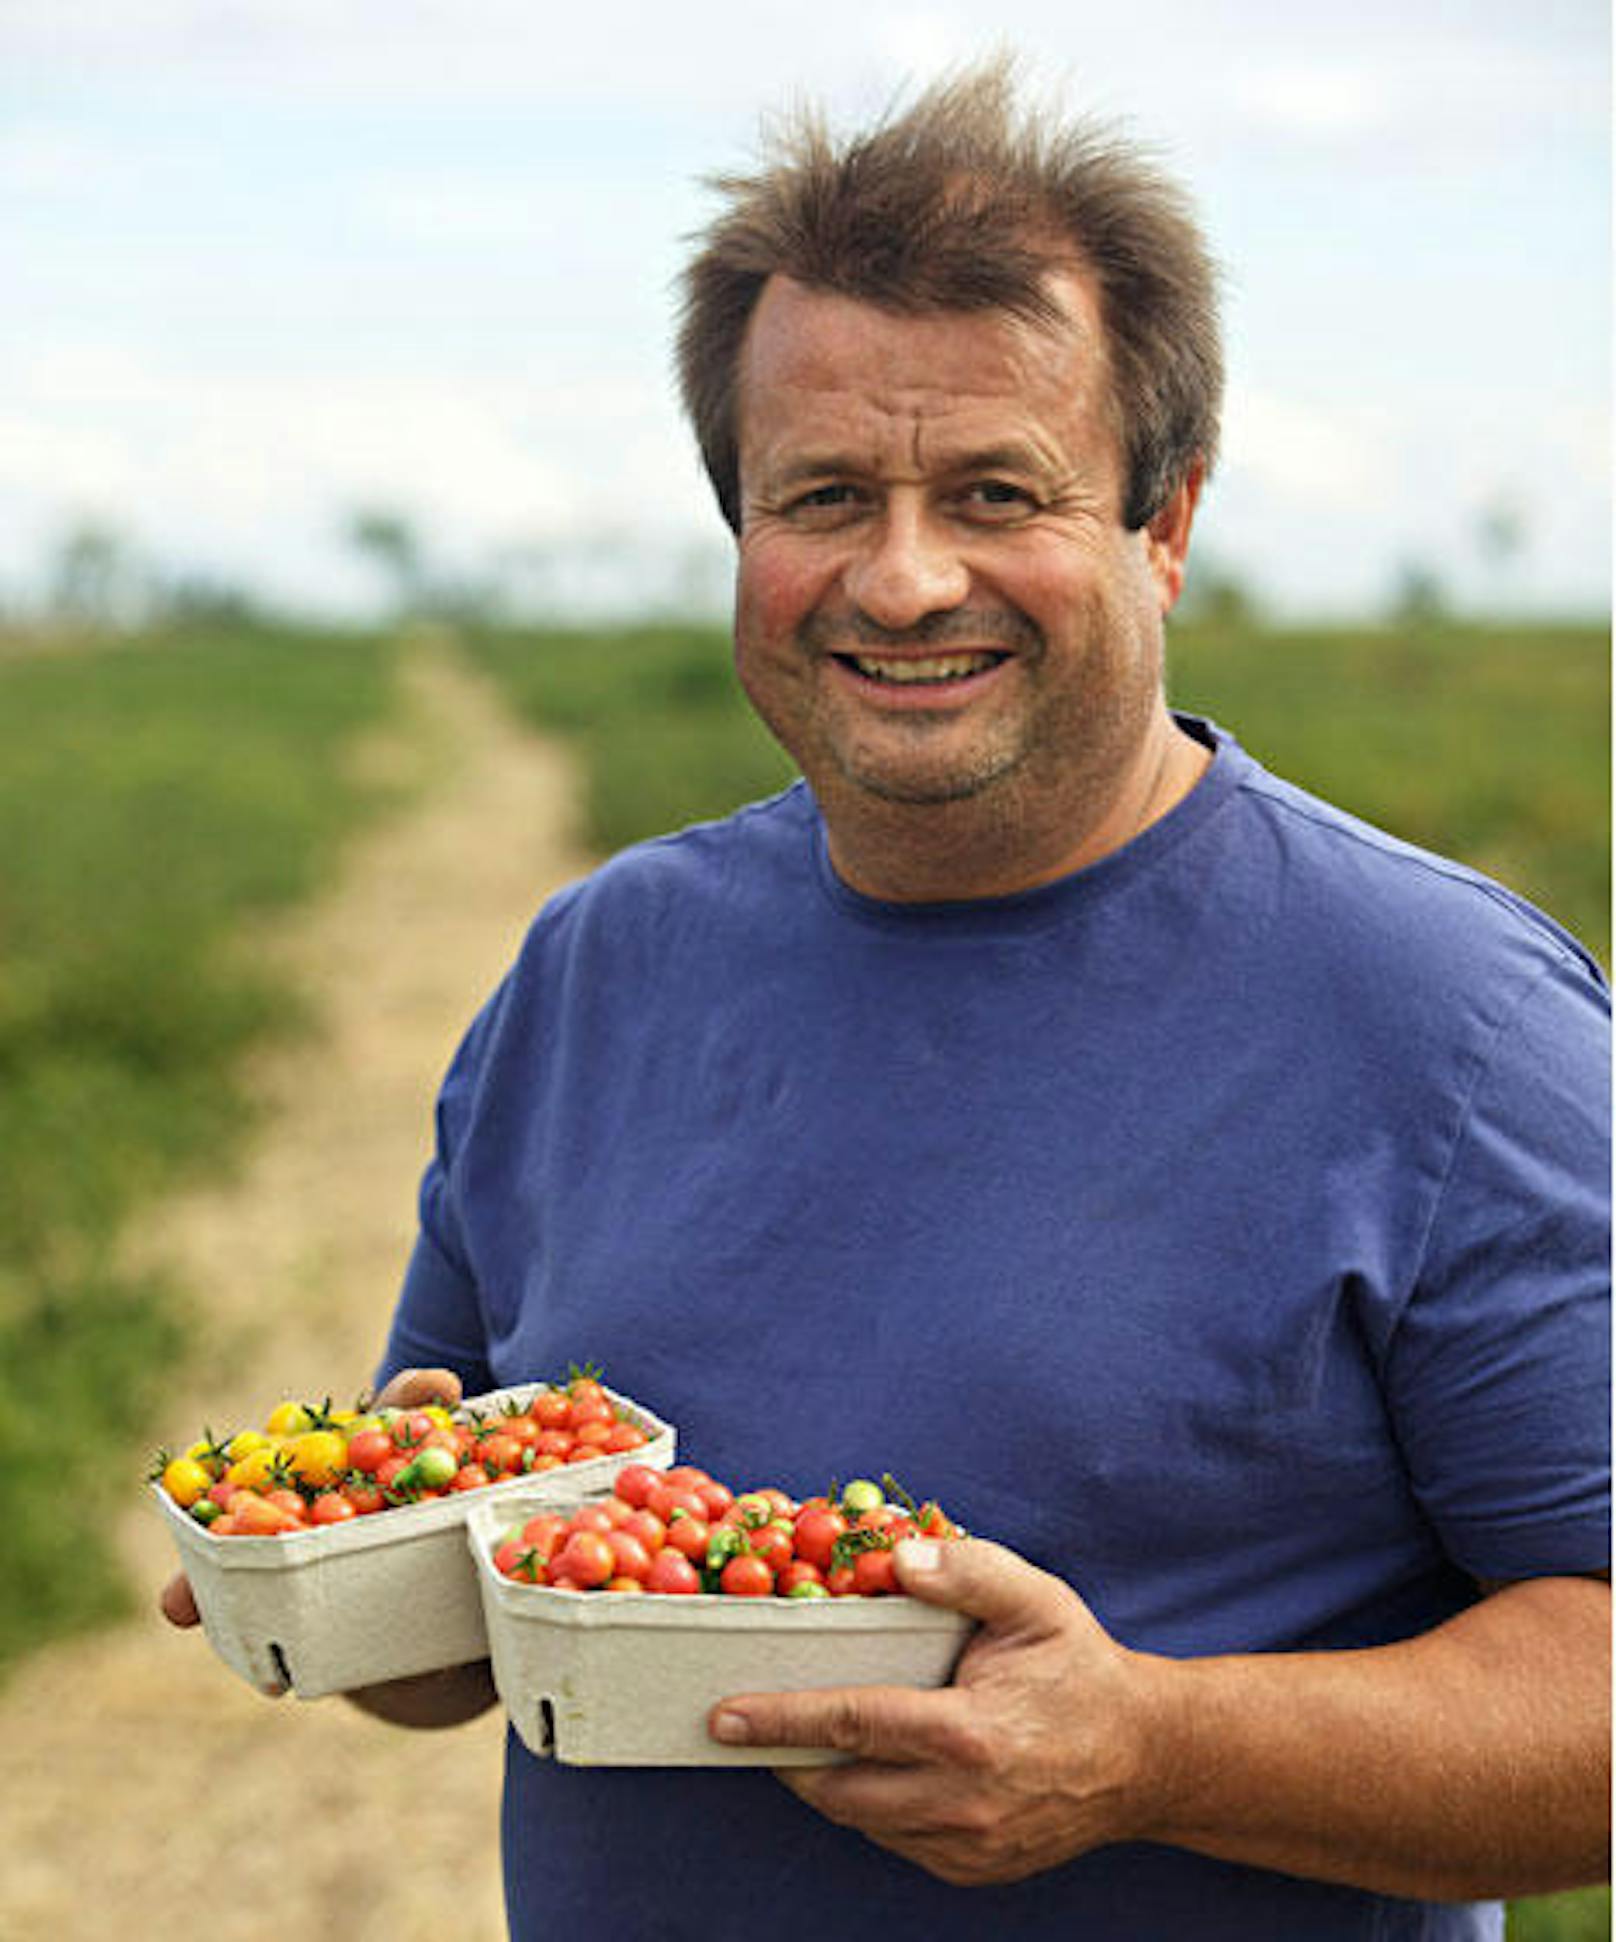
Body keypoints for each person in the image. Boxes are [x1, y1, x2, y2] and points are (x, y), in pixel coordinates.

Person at [164, 61, 1610, 1940]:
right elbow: (478, 1660)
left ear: (1162, 522)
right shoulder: (599, 972)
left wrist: (1153, 1749)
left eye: (997, 492)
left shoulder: (1450, 1023)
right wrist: (360, 1567)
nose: (905, 577)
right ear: (740, 531)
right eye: (825, 495)